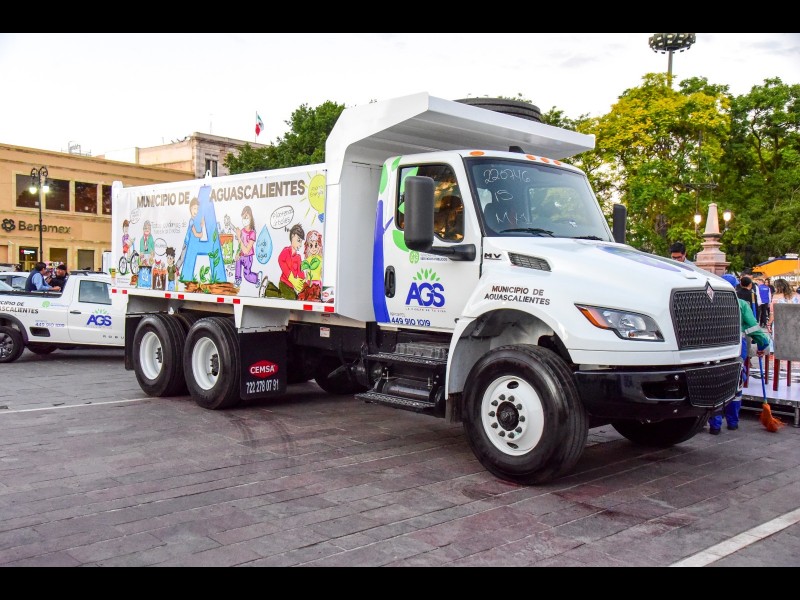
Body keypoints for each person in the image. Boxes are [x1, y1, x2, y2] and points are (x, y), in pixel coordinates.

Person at [708, 291, 770, 435]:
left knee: (714, 383)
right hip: (735, 346)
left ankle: (715, 425)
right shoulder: (741, 304)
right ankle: (732, 422)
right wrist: (762, 344)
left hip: (711, 348)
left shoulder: (707, 302)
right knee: (736, 382)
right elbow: (753, 327)